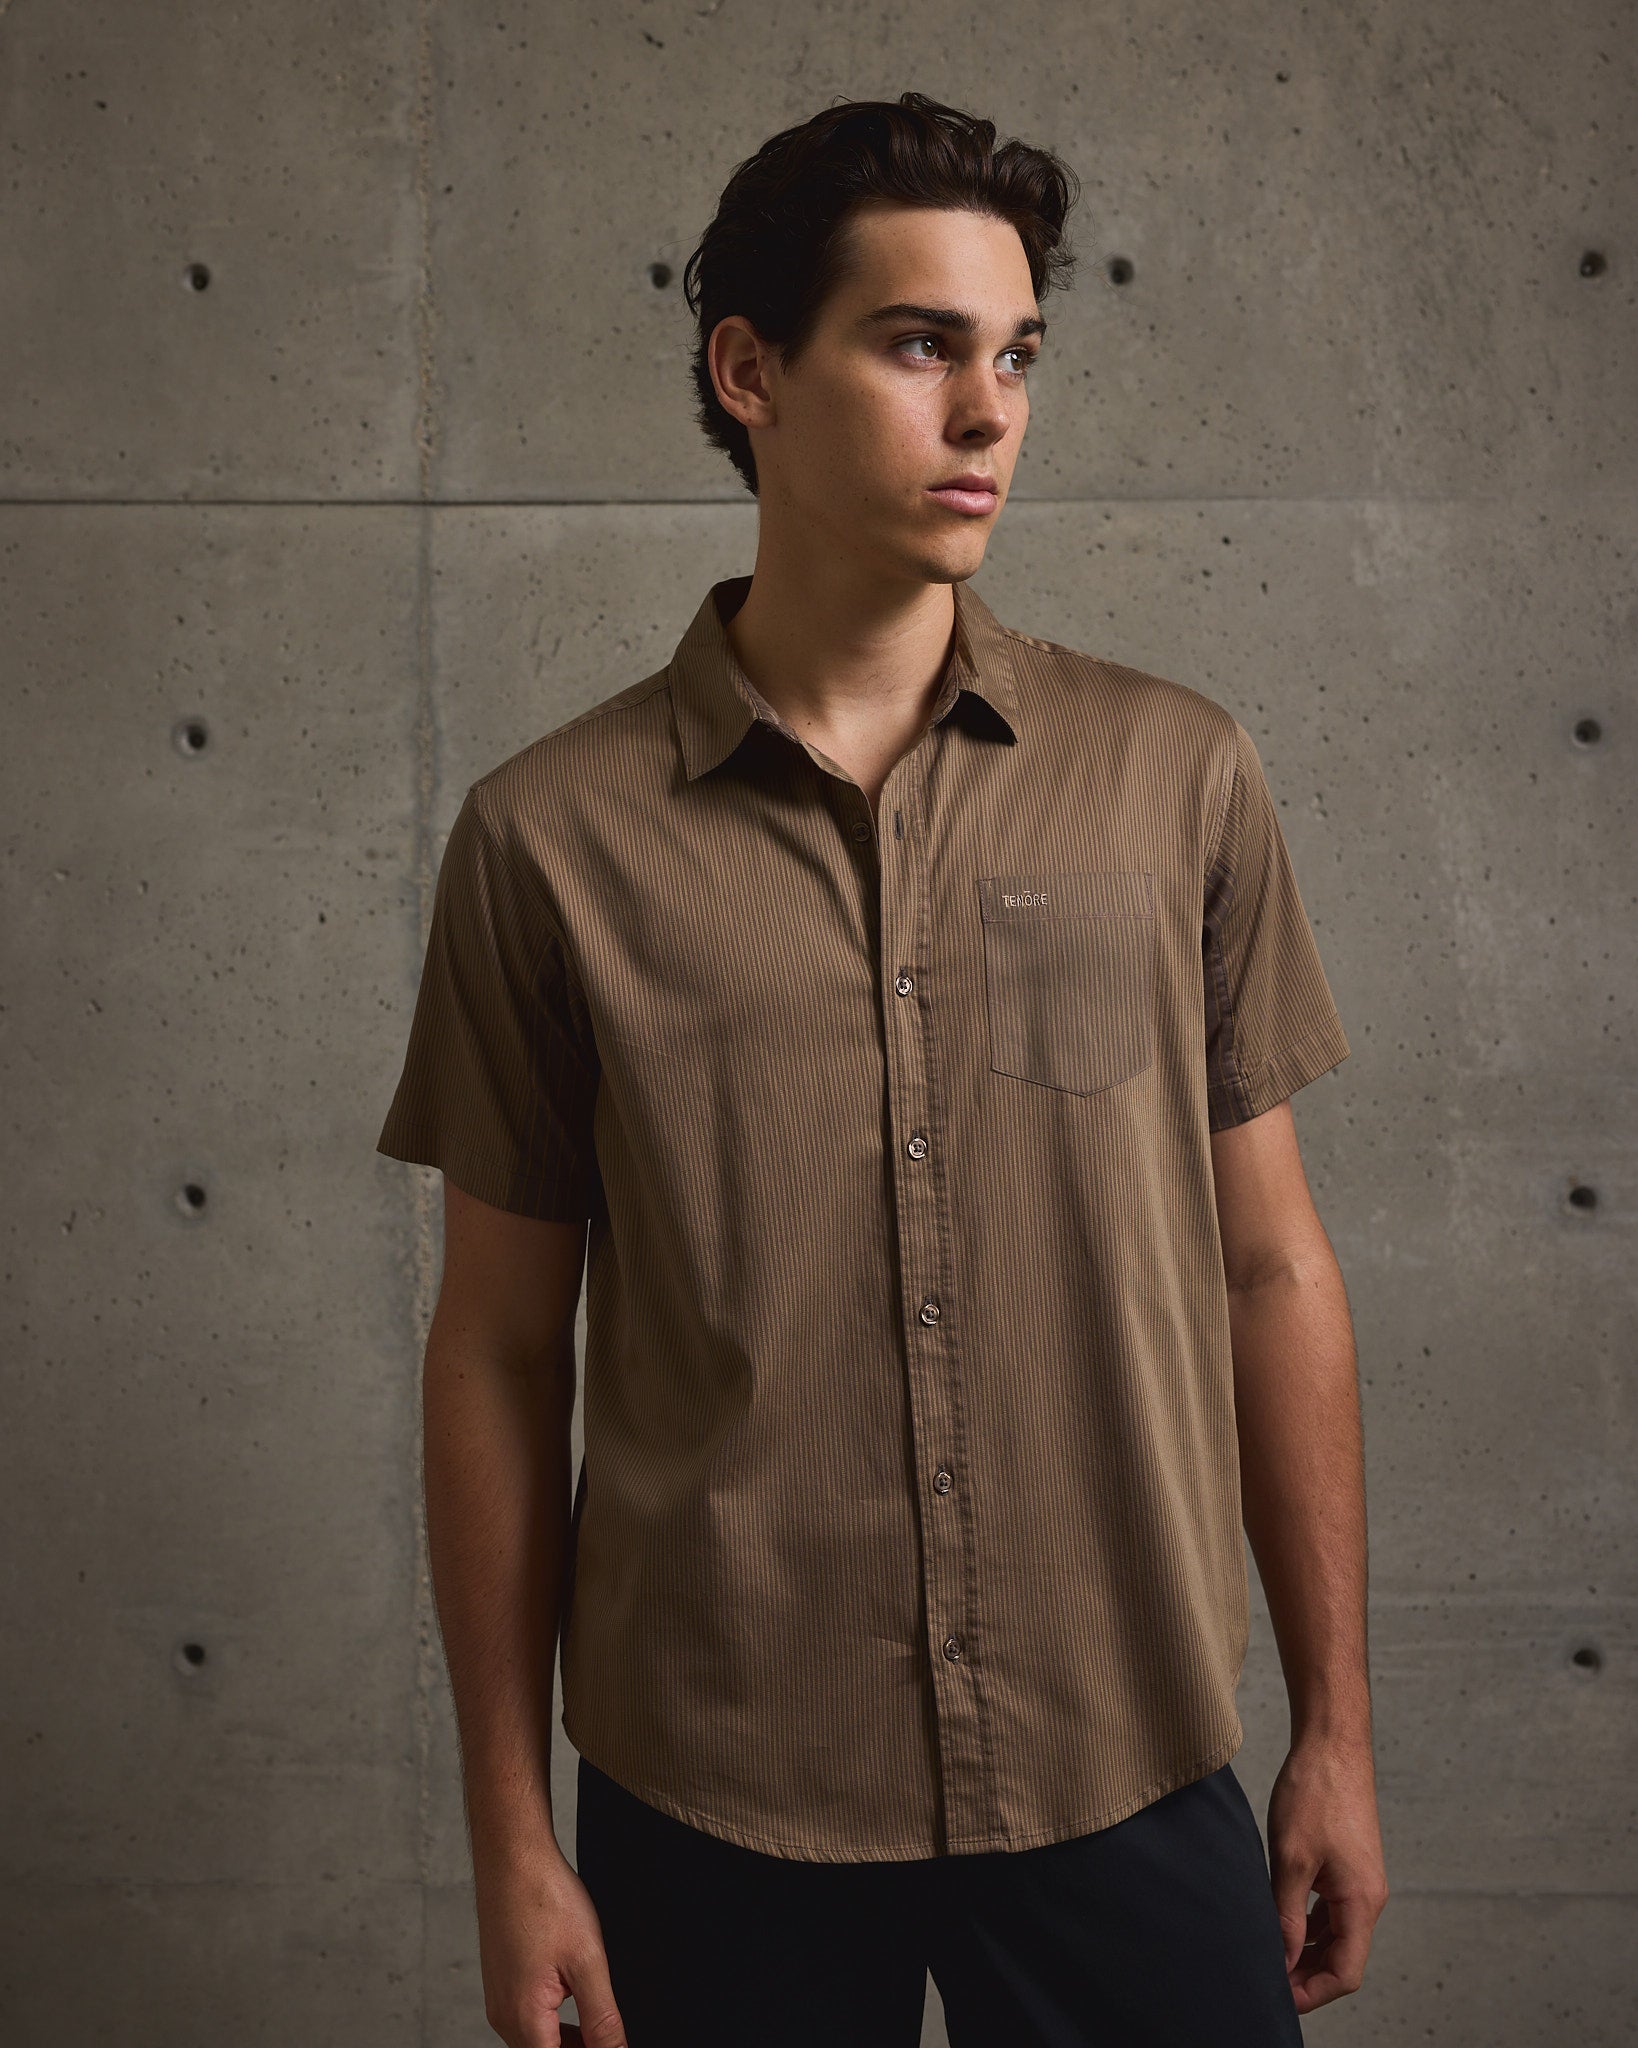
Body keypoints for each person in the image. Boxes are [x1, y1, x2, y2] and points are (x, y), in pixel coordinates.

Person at [375, 90, 1388, 2048]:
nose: (989, 412)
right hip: (712, 1789)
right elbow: (495, 1349)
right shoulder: (546, 840)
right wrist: (510, 1829)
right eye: (922, 345)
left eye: (1017, 354)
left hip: (1118, 1748)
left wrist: (1336, 1728)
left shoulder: (1175, 775)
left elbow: (1273, 1268)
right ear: (748, 371)